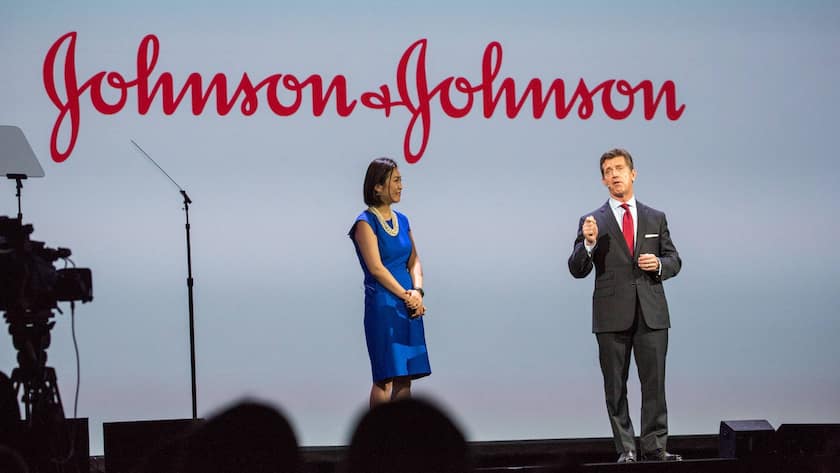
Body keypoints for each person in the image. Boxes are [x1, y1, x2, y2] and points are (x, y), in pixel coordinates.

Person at [567, 148, 682, 463]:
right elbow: (577, 269)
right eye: (608, 170)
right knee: (615, 387)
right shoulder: (592, 221)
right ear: (603, 180)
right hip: (611, 316)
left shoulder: (655, 217)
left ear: (633, 174)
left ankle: (656, 447)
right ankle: (626, 449)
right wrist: (588, 243)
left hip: (652, 313)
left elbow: (675, 261)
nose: (614, 174)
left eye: (619, 168)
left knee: (654, 384)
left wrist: (658, 263)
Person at [349, 157, 430, 407]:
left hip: (409, 305)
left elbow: (414, 260)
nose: (400, 186)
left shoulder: (403, 220)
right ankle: (377, 440)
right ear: (377, 186)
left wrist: (417, 292)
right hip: (384, 305)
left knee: (405, 377)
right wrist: (407, 295)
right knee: (385, 376)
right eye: (395, 180)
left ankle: (401, 439)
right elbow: (376, 268)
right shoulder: (365, 222)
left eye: (400, 180)